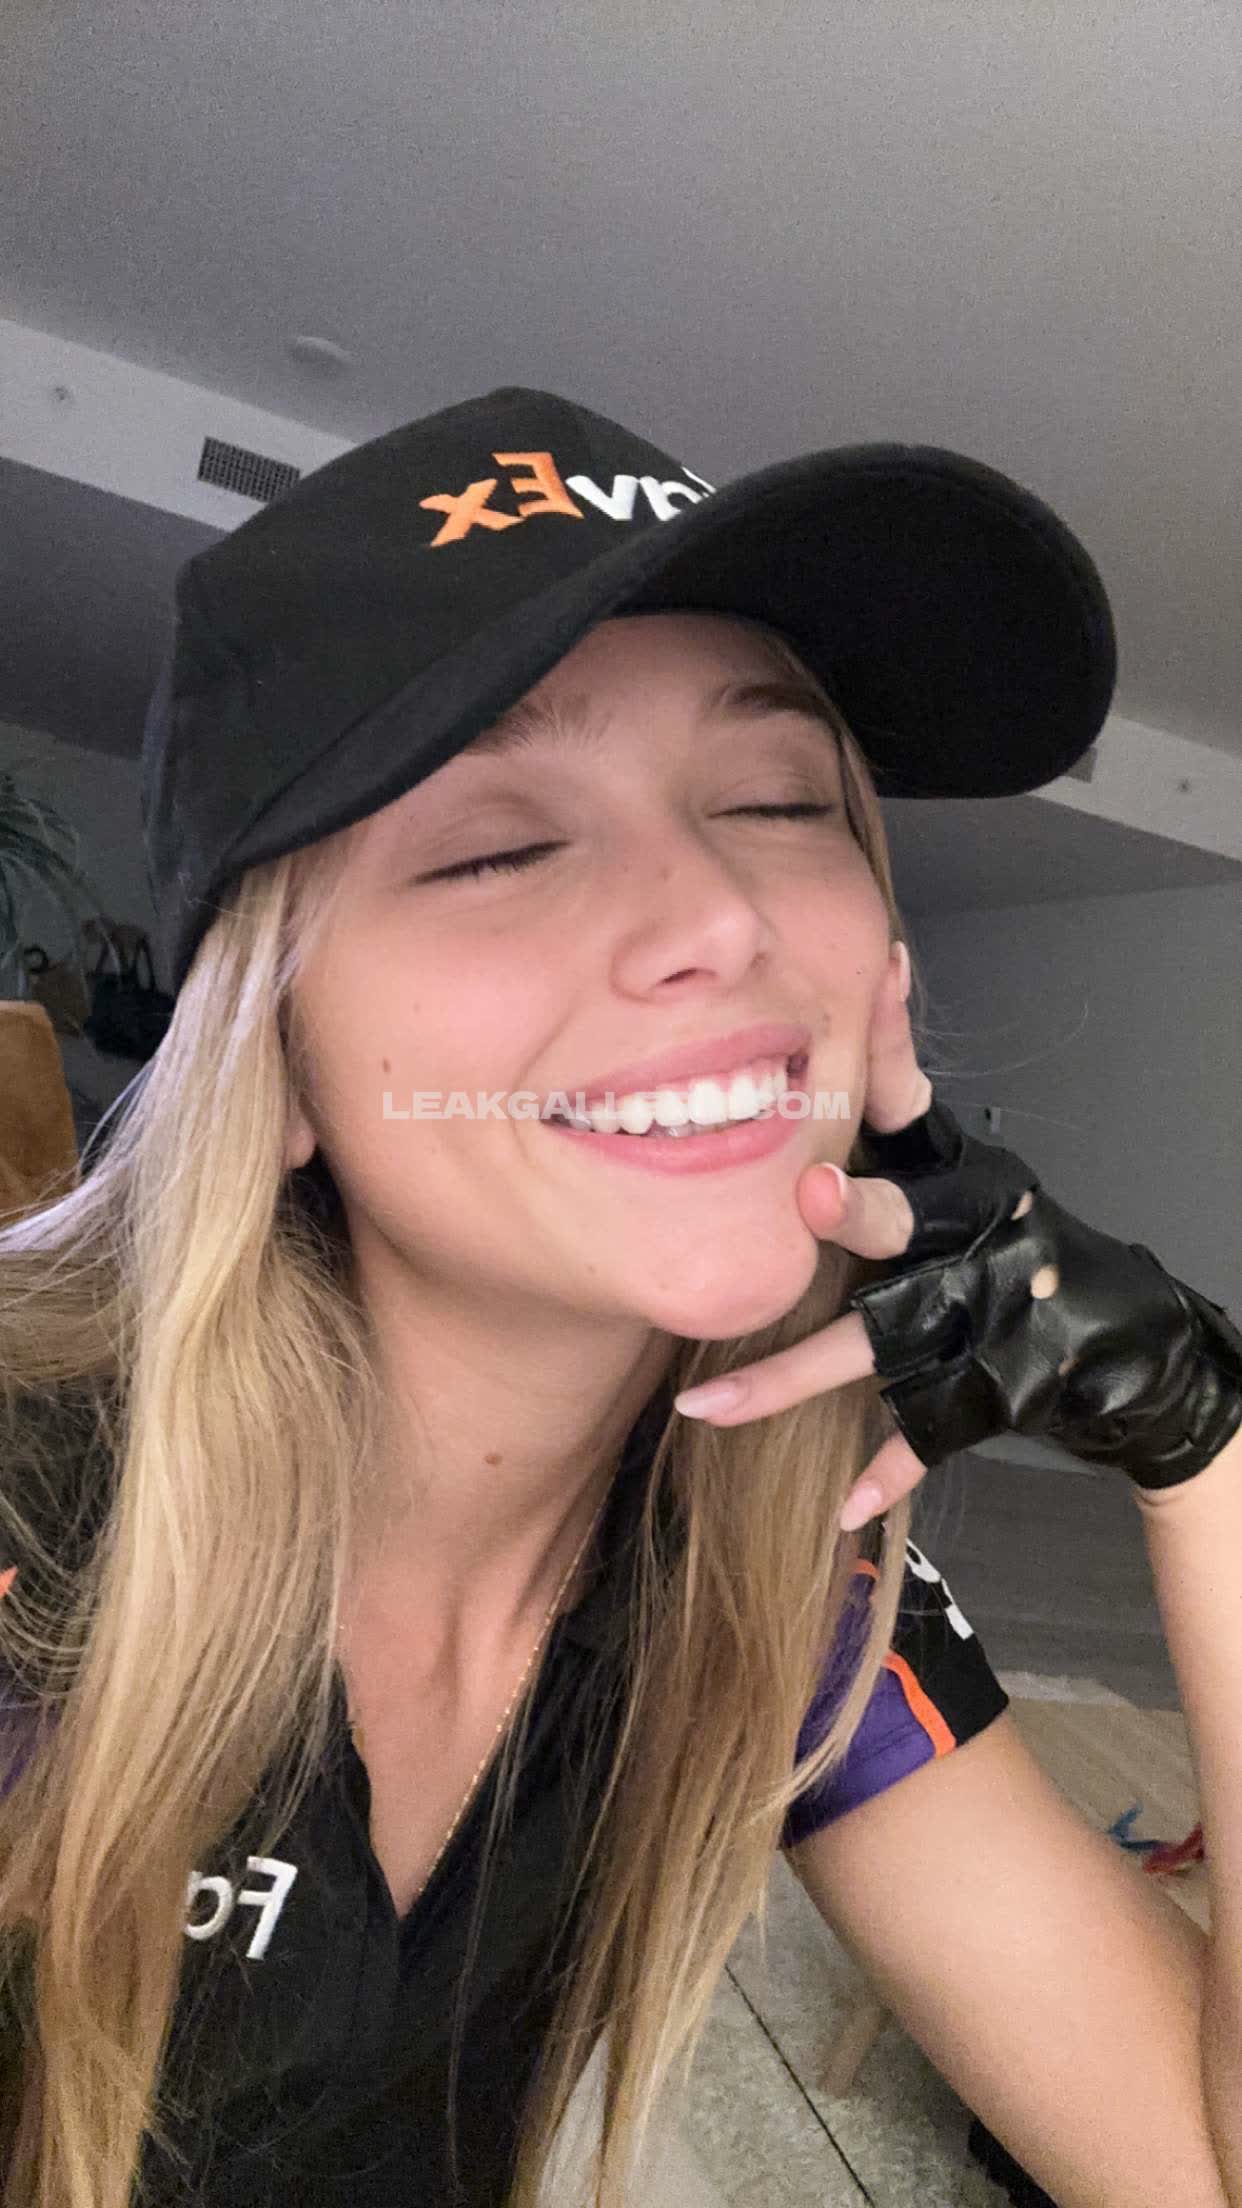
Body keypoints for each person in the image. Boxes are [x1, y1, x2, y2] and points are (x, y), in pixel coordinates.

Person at [0, 385, 1238, 2208]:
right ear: (269, 1051)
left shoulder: (787, 1580)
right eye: (498, 844)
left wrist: (1201, 1437)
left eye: (776, 801)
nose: (722, 916)